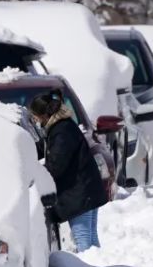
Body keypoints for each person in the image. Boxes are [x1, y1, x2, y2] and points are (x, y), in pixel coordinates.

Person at [30, 90, 110, 252]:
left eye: (35, 117)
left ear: (44, 115)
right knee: (90, 239)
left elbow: (57, 165)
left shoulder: (61, 131)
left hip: (79, 194)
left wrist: (37, 175)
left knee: (83, 240)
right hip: (85, 190)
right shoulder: (61, 127)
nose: (35, 121)